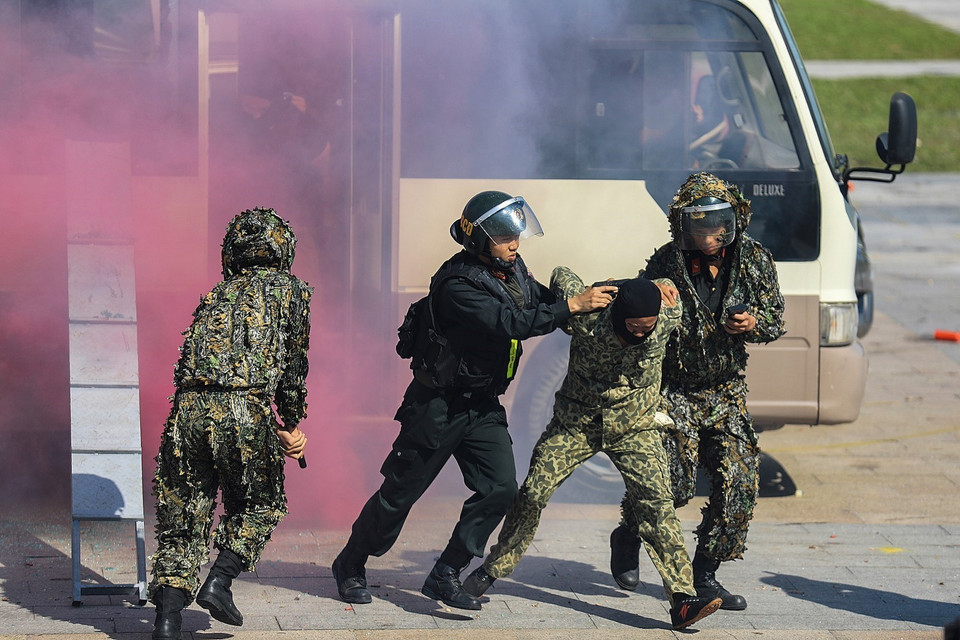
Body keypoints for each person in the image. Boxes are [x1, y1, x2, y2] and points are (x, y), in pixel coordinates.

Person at [331, 191, 616, 611]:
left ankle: (447, 571)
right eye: (503, 236)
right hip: (438, 407)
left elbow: (539, 302)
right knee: (400, 494)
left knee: (500, 489)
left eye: (516, 234)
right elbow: (512, 323)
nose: (514, 243)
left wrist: (610, 293)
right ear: (479, 240)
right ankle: (351, 563)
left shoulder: (511, 270)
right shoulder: (457, 284)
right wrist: (572, 306)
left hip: (481, 406)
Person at [461, 271, 722, 630]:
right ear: (618, 317)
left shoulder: (666, 316)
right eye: (635, 326)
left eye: (649, 326)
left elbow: (669, 283)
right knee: (534, 493)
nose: (643, 332)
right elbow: (561, 275)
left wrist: (656, 285)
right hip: (577, 423)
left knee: (656, 502)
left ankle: (682, 598)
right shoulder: (588, 320)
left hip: (634, 426)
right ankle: (493, 568)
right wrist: (590, 295)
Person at [609, 172, 785, 611]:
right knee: (672, 483)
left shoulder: (755, 260)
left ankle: (705, 574)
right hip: (674, 389)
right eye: (700, 225)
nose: (710, 234)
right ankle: (629, 532)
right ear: (683, 227)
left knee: (741, 483)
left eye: (718, 224)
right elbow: (640, 320)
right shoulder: (665, 263)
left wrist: (753, 325)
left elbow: (776, 318)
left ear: (734, 221)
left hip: (725, 391)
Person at [149, 208, 312, 640]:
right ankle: (219, 582)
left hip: (187, 412)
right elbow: (293, 368)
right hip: (243, 409)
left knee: (183, 516)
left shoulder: (218, 294)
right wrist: (290, 424)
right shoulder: (289, 290)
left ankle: (166, 621)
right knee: (262, 504)